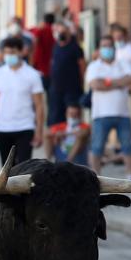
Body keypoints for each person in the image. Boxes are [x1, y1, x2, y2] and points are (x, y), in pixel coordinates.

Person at [0, 36, 46, 165]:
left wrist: (39, 132)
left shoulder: (32, 74)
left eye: (12, 52)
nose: (9, 56)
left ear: (21, 52)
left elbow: (39, 105)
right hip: (2, 128)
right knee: (7, 170)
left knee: (24, 169)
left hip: (25, 127)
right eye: (6, 53)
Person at [85, 34, 131, 178]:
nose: (107, 49)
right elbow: (95, 84)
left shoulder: (123, 63)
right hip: (101, 114)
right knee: (97, 147)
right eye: (104, 46)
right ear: (99, 49)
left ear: (114, 48)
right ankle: (95, 176)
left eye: (109, 46)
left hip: (123, 113)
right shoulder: (94, 66)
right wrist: (119, 82)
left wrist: (107, 82)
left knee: (128, 146)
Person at [45, 21, 86, 158]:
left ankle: (72, 154)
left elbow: (82, 67)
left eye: (62, 31)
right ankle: (56, 153)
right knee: (55, 123)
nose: (60, 34)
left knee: (72, 121)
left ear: (68, 32)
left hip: (72, 90)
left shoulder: (75, 48)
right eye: (58, 31)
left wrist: (82, 85)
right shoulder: (55, 46)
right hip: (56, 90)